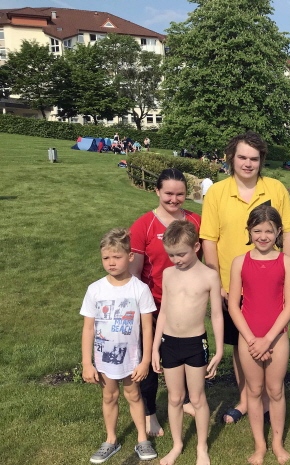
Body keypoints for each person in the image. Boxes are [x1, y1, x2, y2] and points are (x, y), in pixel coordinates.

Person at [200, 131, 290, 424]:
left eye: (254, 158)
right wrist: (217, 283)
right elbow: (209, 240)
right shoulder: (217, 192)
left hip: (269, 282)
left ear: (261, 160)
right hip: (231, 284)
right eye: (242, 157)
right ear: (231, 158)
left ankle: (268, 397)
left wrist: (285, 271)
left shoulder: (275, 188)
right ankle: (247, 399)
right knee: (239, 341)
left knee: (272, 336)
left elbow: (289, 231)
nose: (247, 163)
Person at [129, 168, 202, 436]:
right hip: (154, 306)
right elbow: (135, 274)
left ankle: (185, 399)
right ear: (157, 191)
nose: (174, 199)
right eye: (168, 193)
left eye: (180, 194)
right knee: (150, 360)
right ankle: (150, 412)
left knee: (184, 355)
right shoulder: (144, 225)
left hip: (186, 307)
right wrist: (140, 309)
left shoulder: (195, 221)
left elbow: (204, 260)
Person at [81, 228, 158, 464]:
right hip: (104, 359)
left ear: (130, 256)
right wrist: (86, 363)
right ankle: (111, 440)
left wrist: (145, 361)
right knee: (109, 396)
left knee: (134, 395)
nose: (111, 262)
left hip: (132, 359)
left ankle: (142, 439)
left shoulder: (140, 289)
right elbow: (88, 329)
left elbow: (147, 328)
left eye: (117, 256)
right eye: (106, 257)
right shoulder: (95, 289)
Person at [227, 205, 290, 465]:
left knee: (275, 390)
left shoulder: (286, 262)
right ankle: (260, 445)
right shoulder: (239, 262)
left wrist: (267, 339)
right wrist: (251, 339)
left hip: (276, 338)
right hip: (248, 338)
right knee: (254, 390)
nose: (263, 236)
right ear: (249, 231)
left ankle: (277, 443)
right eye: (257, 231)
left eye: (269, 231)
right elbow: (233, 305)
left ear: (278, 232)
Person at [152, 220, 224, 465]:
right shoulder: (168, 274)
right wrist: (155, 347)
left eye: (181, 254)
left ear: (196, 247)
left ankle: (202, 448)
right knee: (174, 398)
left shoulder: (209, 276)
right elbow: (163, 312)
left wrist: (219, 350)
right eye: (171, 255)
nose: (176, 260)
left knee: (197, 398)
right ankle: (177, 445)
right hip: (170, 342)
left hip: (195, 344)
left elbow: (217, 315)